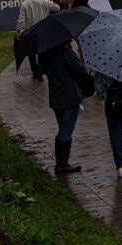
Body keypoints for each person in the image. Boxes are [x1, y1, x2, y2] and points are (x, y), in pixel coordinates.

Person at [43, 38, 91, 175]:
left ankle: (61, 162)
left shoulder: (46, 54)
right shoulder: (65, 52)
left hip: (55, 95)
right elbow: (79, 69)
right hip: (69, 95)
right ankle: (62, 164)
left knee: (62, 127)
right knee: (66, 129)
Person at [15, 0, 57, 81]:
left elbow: (20, 21)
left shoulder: (25, 4)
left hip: (31, 32)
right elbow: (57, 8)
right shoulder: (44, 2)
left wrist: (18, 34)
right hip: (43, 31)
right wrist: (51, 2)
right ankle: (40, 70)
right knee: (42, 52)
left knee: (31, 53)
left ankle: (35, 72)